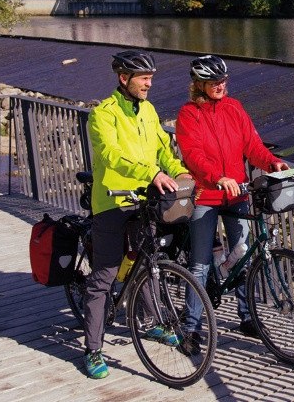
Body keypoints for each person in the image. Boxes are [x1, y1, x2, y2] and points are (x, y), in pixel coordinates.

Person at [82, 50, 190, 380]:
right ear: (123, 79)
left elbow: (163, 151)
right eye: (144, 79)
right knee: (104, 275)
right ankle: (93, 349)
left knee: (148, 261)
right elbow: (111, 156)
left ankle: (151, 322)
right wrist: (150, 174)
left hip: (144, 199)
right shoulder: (103, 114)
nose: (148, 84)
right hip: (112, 202)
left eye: (151, 79)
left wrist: (182, 174)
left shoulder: (148, 111)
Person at [175, 55, 288, 341]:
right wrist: (218, 178)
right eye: (213, 82)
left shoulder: (234, 108)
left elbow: (252, 144)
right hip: (207, 194)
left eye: (223, 80)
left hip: (237, 192)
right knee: (199, 264)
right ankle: (191, 326)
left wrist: (272, 162)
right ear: (199, 84)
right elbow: (193, 156)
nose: (220, 86)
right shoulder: (189, 114)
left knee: (243, 254)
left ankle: (247, 316)